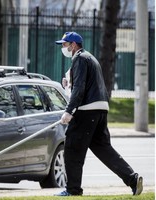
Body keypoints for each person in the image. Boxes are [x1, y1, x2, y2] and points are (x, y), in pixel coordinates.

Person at [54, 32, 143, 196]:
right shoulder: (90, 58)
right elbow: (84, 85)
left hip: (86, 111)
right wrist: (68, 85)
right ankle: (132, 179)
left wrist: (69, 111)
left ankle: (72, 190)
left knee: (73, 148)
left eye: (65, 45)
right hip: (100, 109)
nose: (63, 48)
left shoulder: (79, 59)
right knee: (104, 149)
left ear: (73, 45)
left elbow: (79, 89)